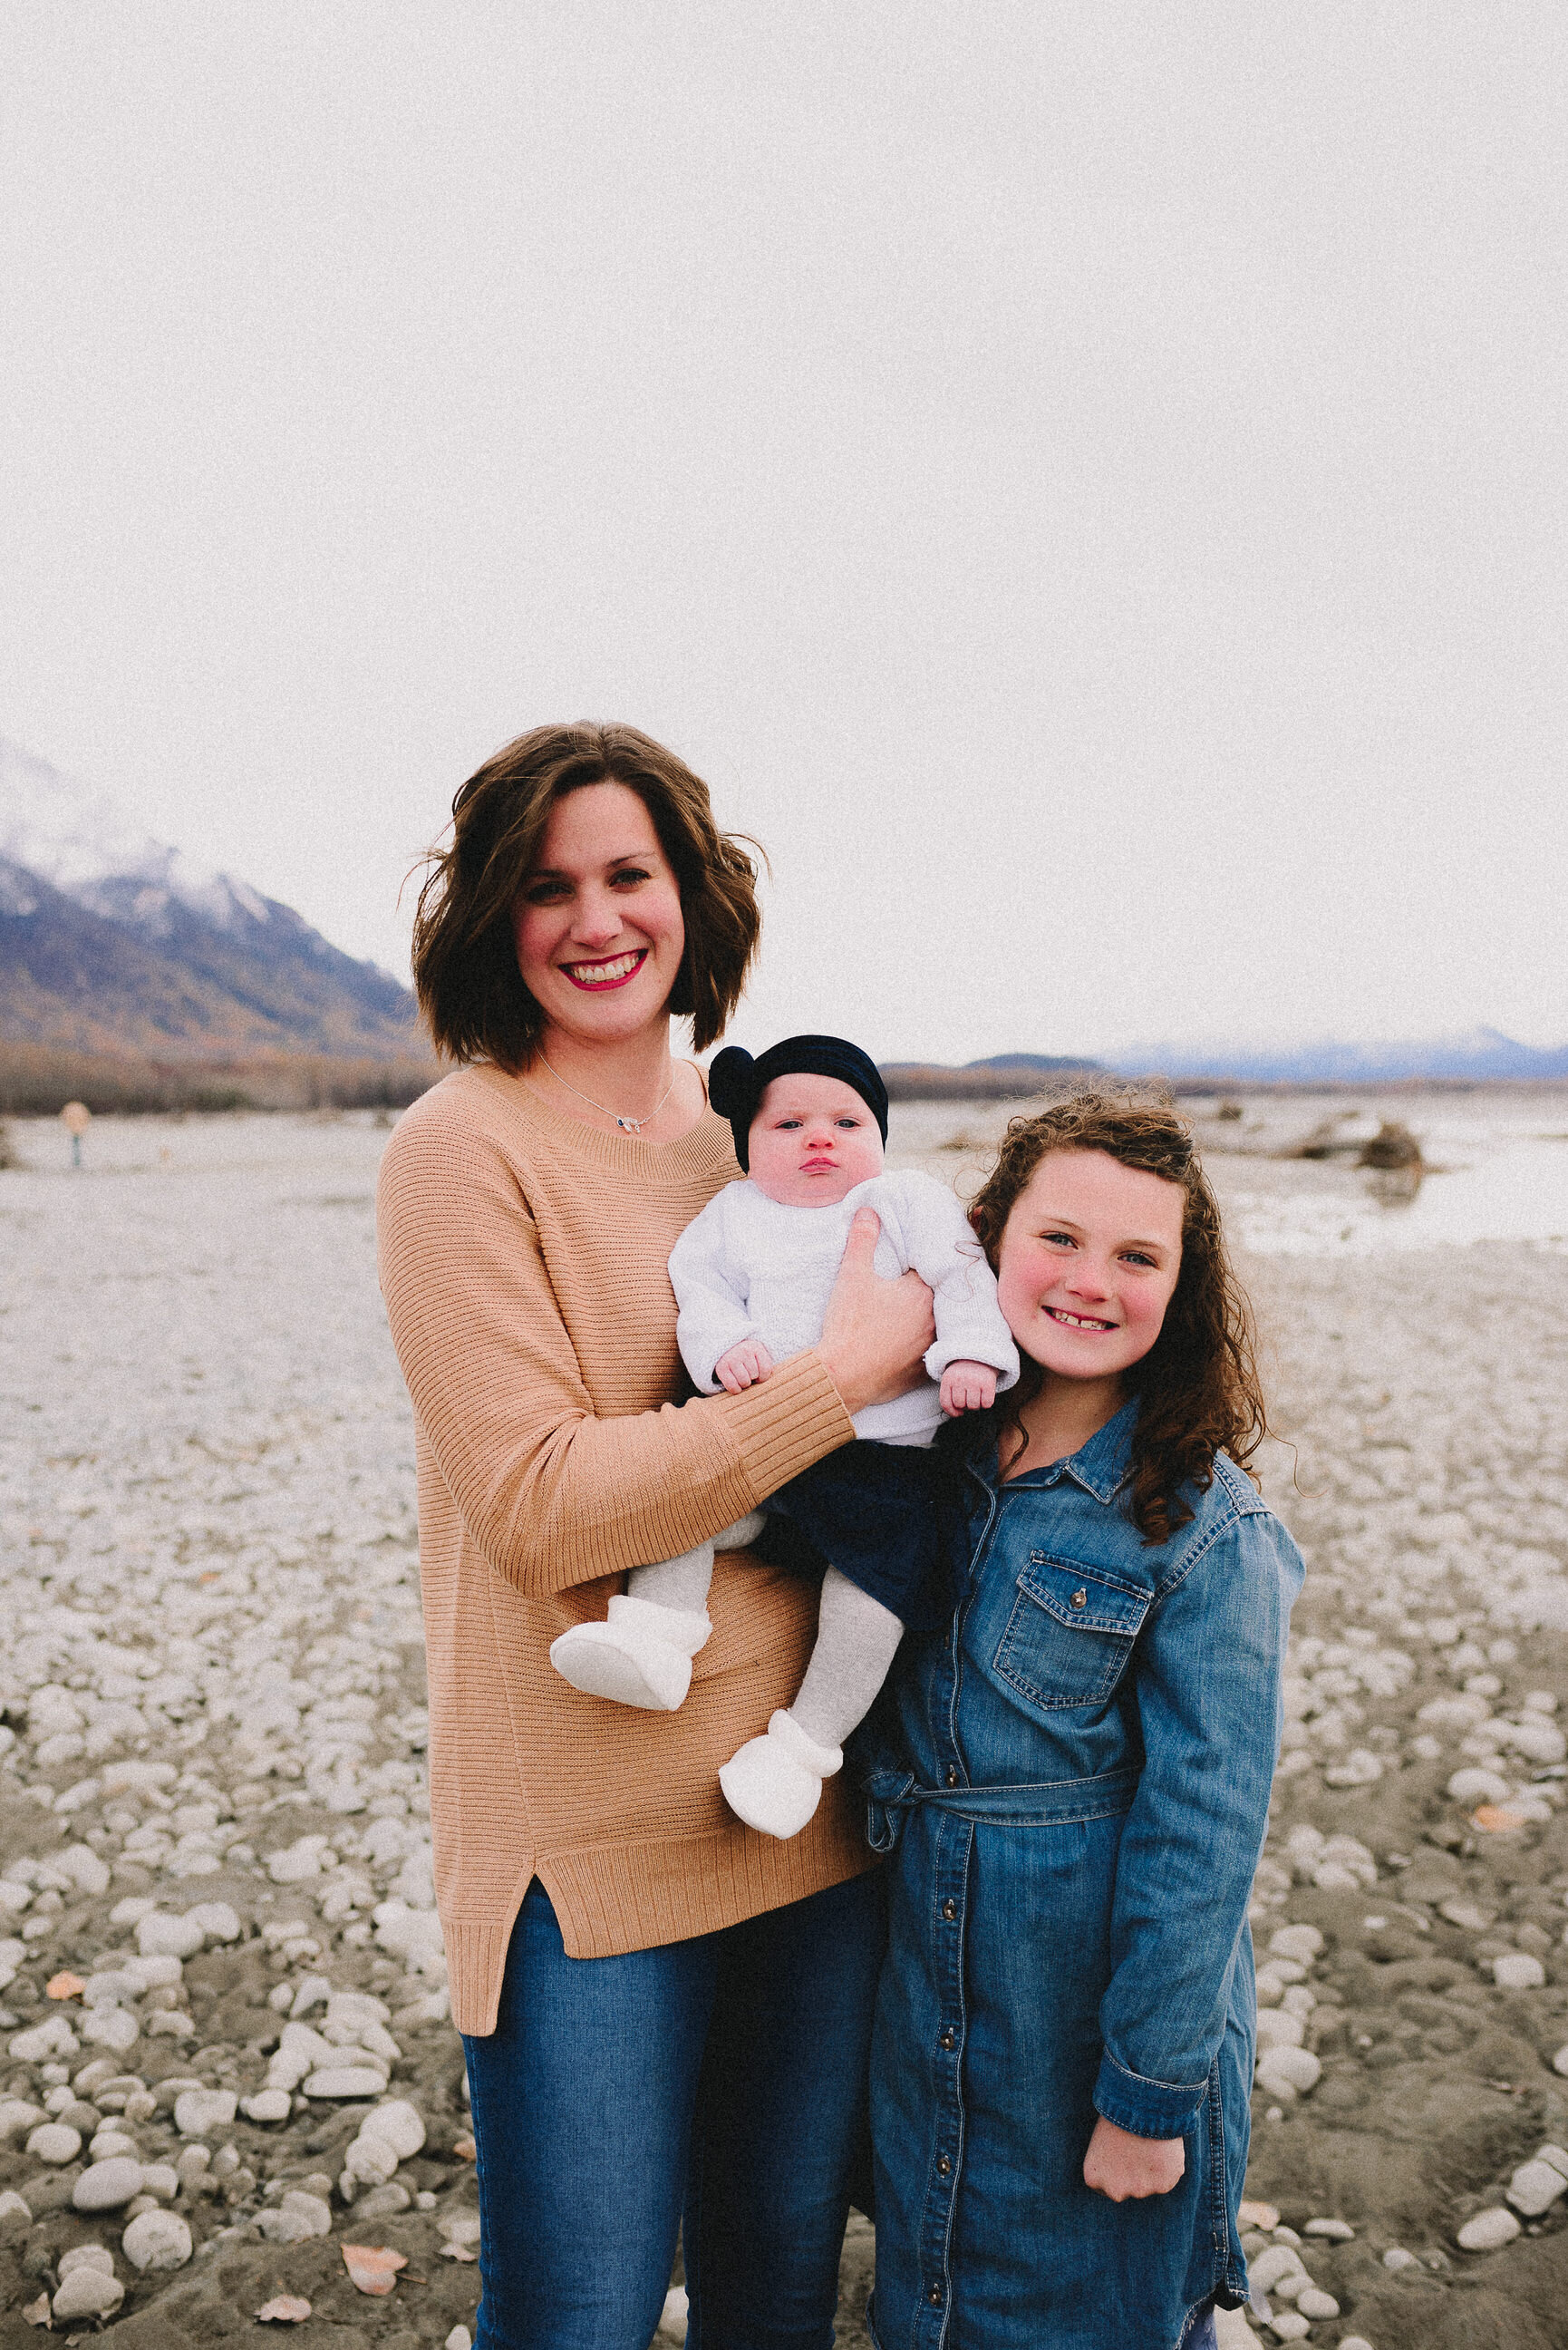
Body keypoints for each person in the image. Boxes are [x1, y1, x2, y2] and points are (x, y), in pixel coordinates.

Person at [375, 722, 934, 2350]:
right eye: (547, 885)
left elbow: (922, 1397)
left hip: (798, 1812)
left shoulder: (762, 1141)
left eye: (631, 872)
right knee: (578, 2316)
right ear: (491, 914)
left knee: (777, 2299)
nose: (597, 917)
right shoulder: (457, 1153)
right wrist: (839, 1379)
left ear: (693, 893)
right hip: (584, 1844)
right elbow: (545, 1505)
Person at [862, 1088, 1304, 2350]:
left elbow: (1205, 1833)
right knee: (934, 2293)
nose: (1088, 1282)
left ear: (1182, 1283)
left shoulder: (1205, 1529)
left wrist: (1148, 2100)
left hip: (1083, 2021)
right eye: (1056, 1238)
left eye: (1136, 1256)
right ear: (990, 1237)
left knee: (1096, 2314)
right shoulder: (924, 1449)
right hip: (925, 1995)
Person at [549, 1032, 1019, 1839]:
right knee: (687, 1497)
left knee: (875, 1594)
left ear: (878, 1138)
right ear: (747, 1146)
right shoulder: (731, 1216)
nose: (821, 1140)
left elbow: (965, 1276)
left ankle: (802, 1749)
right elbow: (698, 1292)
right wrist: (724, 1345)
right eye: (789, 1125)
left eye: (847, 1122)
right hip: (766, 1444)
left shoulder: (902, 1201)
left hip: (886, 1459)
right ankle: (657, 1634)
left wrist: (971, 1353)